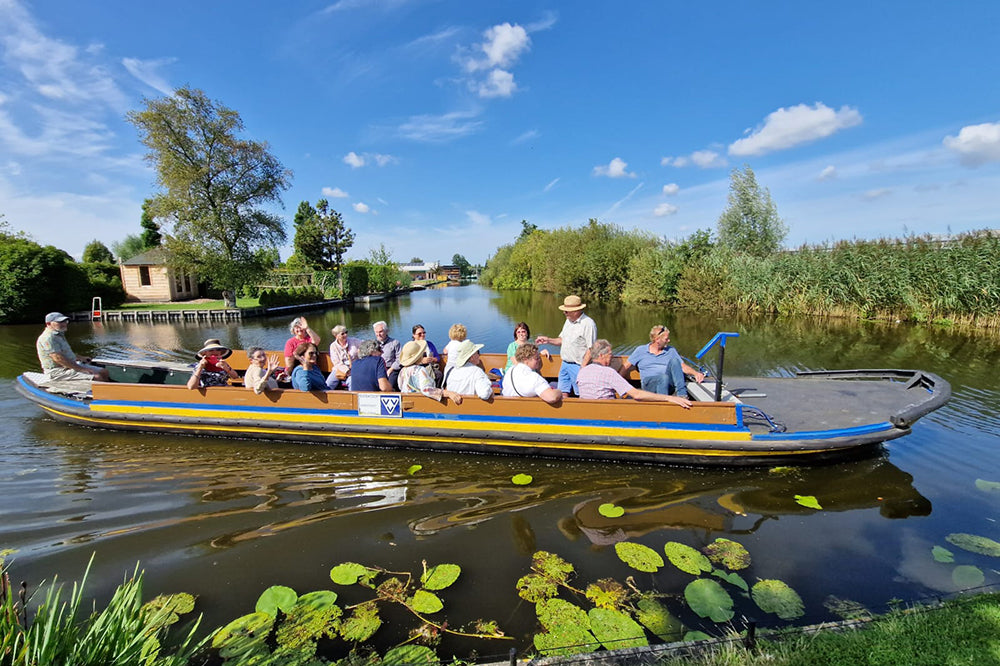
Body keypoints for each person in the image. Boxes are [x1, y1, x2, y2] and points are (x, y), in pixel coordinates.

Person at [577, 339, 692, 407]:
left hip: (588, 410)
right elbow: (636, 394)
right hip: (608, 412)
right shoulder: (608, 372)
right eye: (610, 355)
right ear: (601, 355)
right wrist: (668, 398)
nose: (611, 359)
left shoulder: (582, 371)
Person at [617, 325, 705, 398]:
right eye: (666, 339)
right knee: (663, 378)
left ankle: (682, 395)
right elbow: (626, 366)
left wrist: (696, 373)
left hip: (667, 384)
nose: (669, 341)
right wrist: (618, 384)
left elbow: (682, 366)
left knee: (674, 361)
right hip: (649, 385)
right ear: (657, 340)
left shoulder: (671, 350)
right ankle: (662, 405)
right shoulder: (641, 350)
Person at [535, 295, 597, 397]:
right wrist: (548, 340)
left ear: (576, 311)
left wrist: (583, 368)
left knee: (581, 394)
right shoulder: (568, 321)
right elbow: (562, 340)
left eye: (566, 311)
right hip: (565, 364)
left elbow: (591, 349)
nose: (564, 313)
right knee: (562, 394)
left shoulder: (588, 324)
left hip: (579, 366)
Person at [35, 312, 110, 383]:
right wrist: (81, 369)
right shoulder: (48, 338)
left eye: (65, 321)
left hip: (70, 366)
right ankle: (104, 395)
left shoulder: (58, 335)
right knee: (97, 377)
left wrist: (80, 357)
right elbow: (57, 358)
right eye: (60, 322)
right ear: (48, 324)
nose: (64, 324)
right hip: (57, 371)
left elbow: (65, 353)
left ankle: (110, 390)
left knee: (104, 372)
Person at [398, 340, 463, 404]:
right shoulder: (420, 370)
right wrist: (447, 393)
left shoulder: (402, 370)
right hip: (420, 402)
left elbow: (400, 386)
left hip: (407, 401)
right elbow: (426, 390)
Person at [327, 325, 361, 389]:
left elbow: (365, 344)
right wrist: (347, 371)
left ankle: (352, 398)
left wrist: (361, 351)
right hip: (339, 369)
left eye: (346, 332)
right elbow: (336, 362)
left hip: (354, 368)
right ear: (336, 336)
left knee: (351, 382)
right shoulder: (333, 346)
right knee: (328, 384)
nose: (345, 335)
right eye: (342, 334)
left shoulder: (354, 341)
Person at [373, 321, 402, 389]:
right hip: (376, 370)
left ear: (386, 331)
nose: (378, 334)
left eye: (380, 332)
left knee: (389, 384)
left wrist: (391, 369)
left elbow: (399, 359)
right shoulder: (372, 344)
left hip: (391, 369)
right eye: (376, 332)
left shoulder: (395, 343)